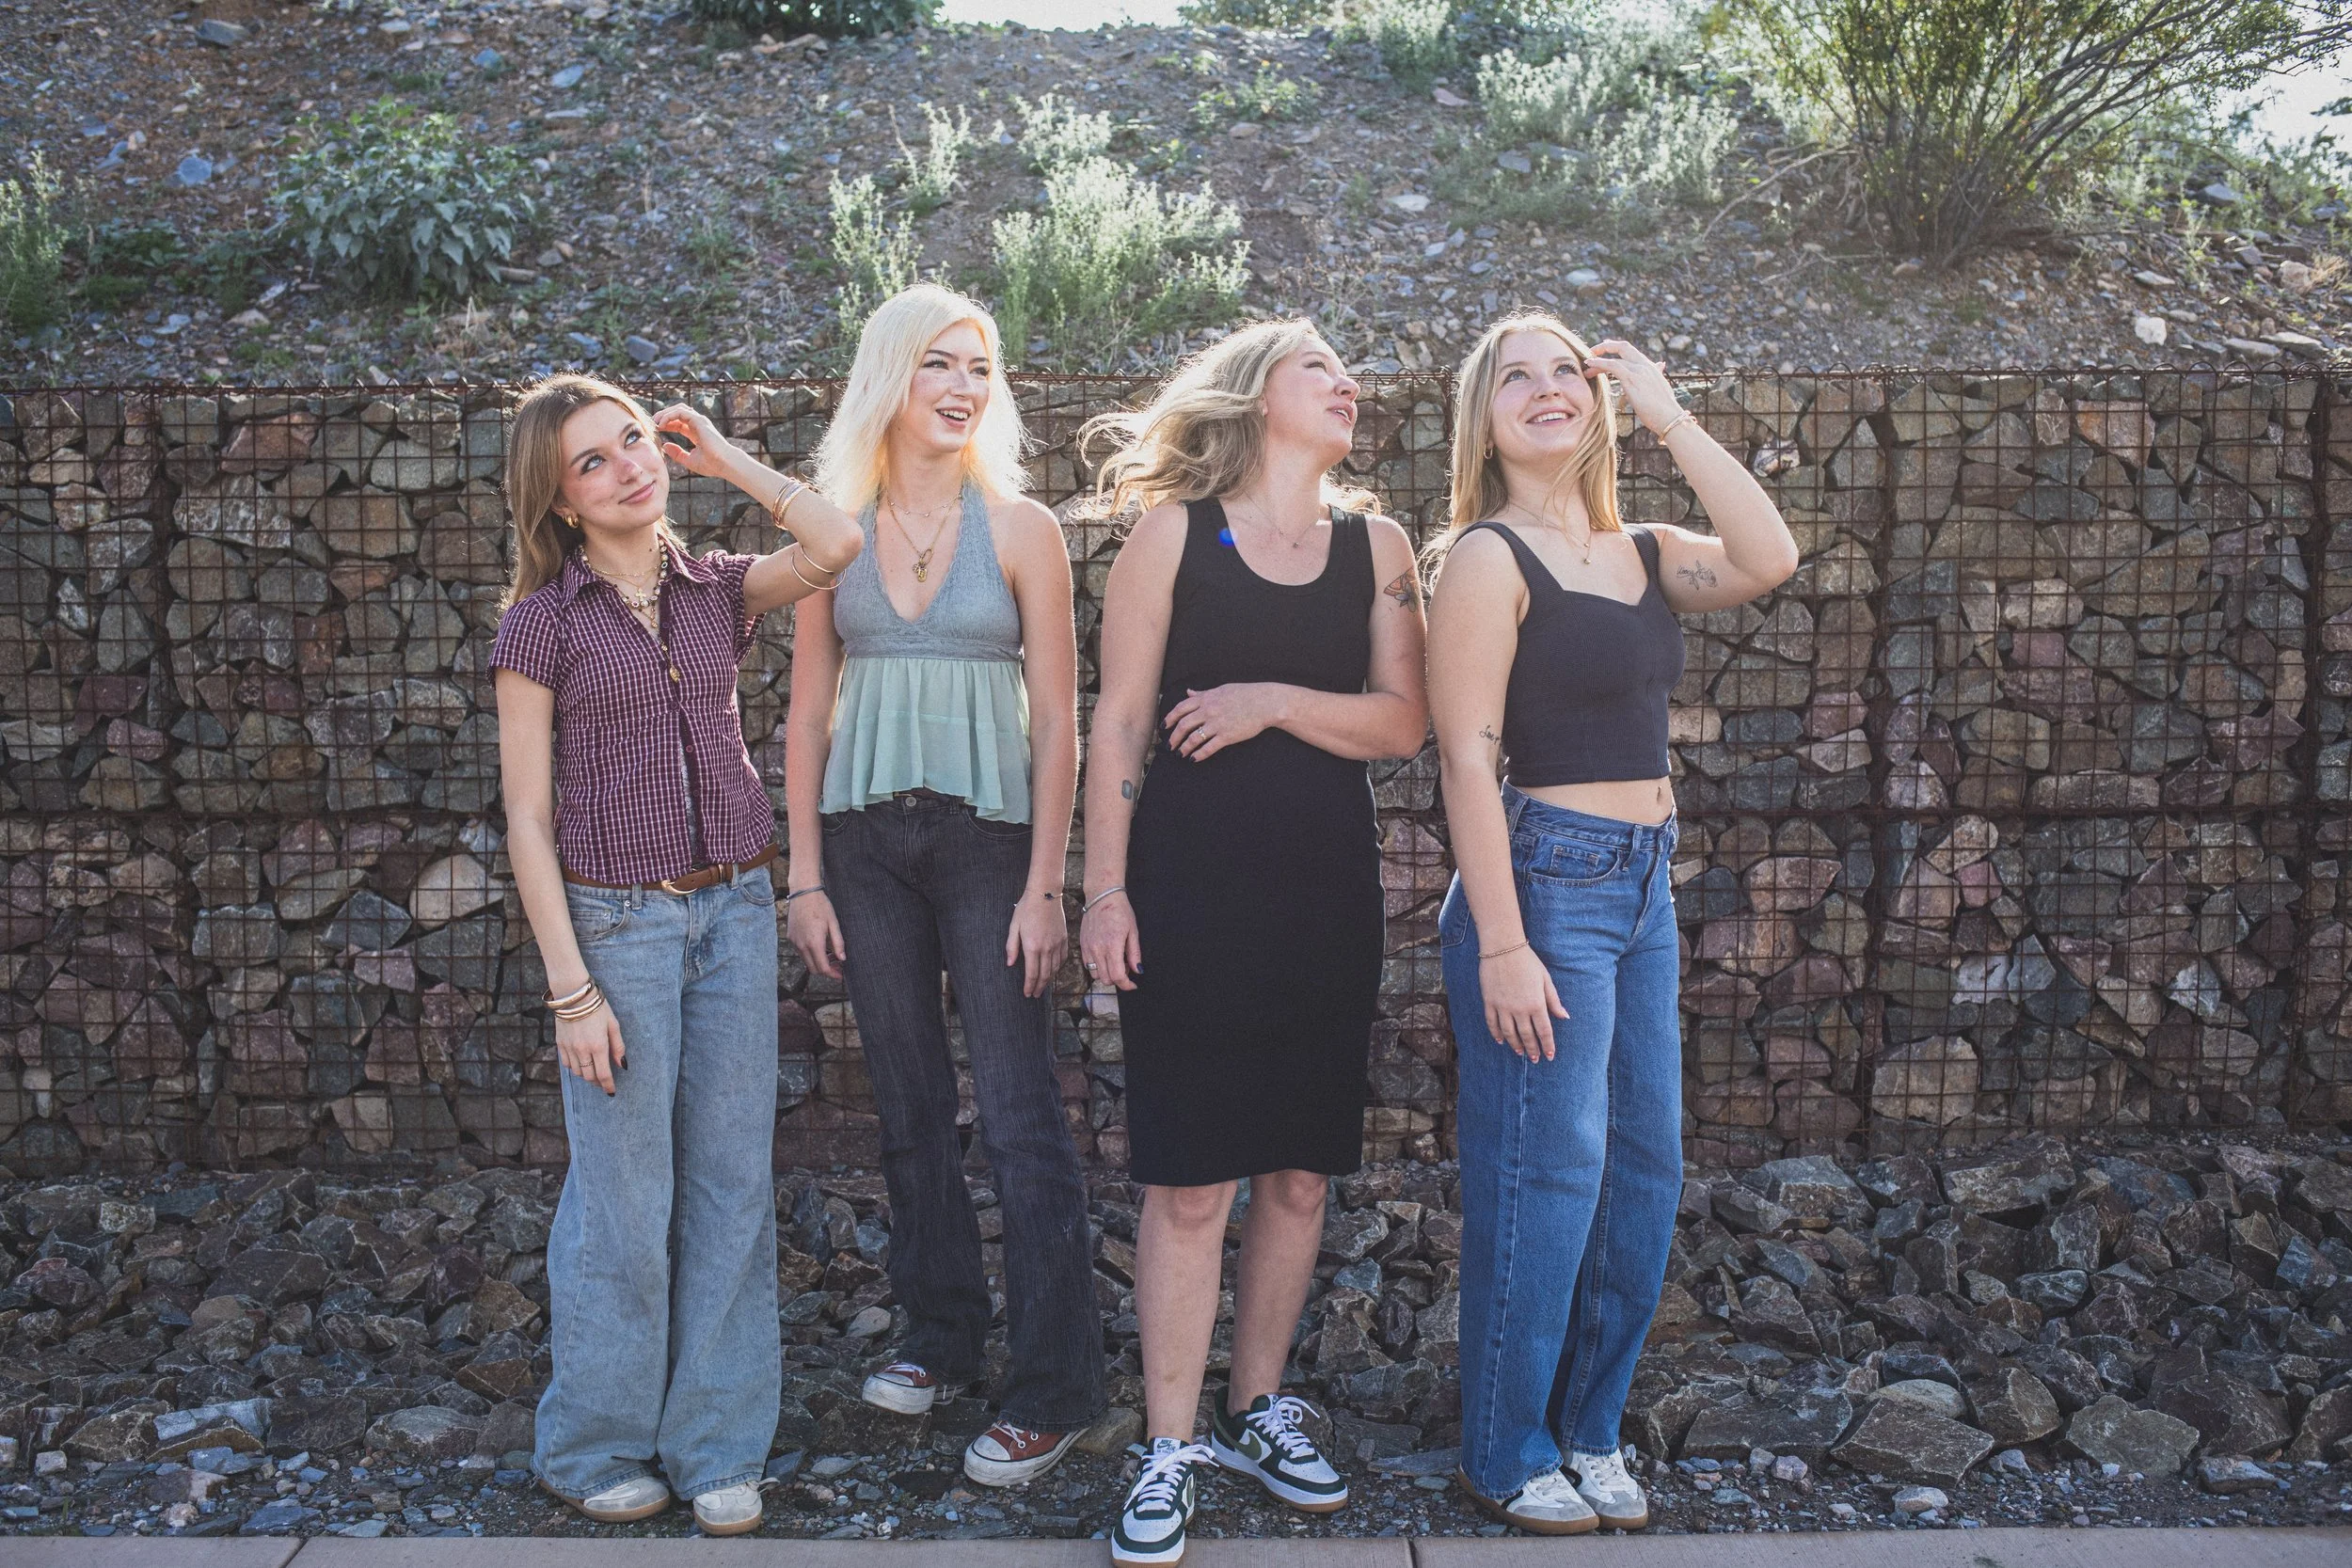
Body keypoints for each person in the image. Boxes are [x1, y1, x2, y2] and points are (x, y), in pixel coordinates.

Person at [1427, 315, 1797, 1534]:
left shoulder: (1643, 548)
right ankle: (1505, 1445)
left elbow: (1770, 553)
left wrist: (1669, 411)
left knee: (1645, 1167)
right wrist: (1502, 938)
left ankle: (1589, 1428)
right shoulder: (1485, 556)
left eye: (1566, 372)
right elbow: (1468, 760)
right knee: (1548, 1172)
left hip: (1644, 883)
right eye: (1515, 377)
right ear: (1484, 416)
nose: (1545, 390)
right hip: (1545, 884)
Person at [1077, 319, 1429, 1566]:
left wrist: (1272, 699)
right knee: (1186, 1179)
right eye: (1319, 367)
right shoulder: (1173, 531)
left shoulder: (1377, 547)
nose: (1349, 383)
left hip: (1325, 896)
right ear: (1256, 395)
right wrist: (1103, 890)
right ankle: (1166, 1444)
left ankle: (1255, 1405)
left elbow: (1404, 720)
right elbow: (1116, 720)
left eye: (1350, 371)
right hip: (1184, 889)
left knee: (1295, 1168)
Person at [491, 373, 863, 1534]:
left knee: (728, 1186)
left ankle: (715, 1446)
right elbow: (527, 818)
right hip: (617, 928)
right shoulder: (541, 624)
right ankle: (591, 1442)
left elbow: (836, 540)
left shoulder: (716, 592)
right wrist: (571, 989)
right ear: (557, 500)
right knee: (623, 1194)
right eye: (593, 461)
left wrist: (728, 462)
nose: (627, 467)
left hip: (733, 916)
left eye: (636, 442)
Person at [783, 284, 1105, 1487]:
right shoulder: (839, 530)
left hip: (987, 841)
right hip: (863, 845)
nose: (964, 386)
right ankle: (937, 1334)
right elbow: (809, 709)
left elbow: (1062, 724)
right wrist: (803, 874)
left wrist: (1046, 886)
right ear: (888, 377)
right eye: (938, 364)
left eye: (980, 367)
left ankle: (1055, 1384)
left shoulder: (1021, 528)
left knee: (1020, 1113)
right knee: (911, 1103)